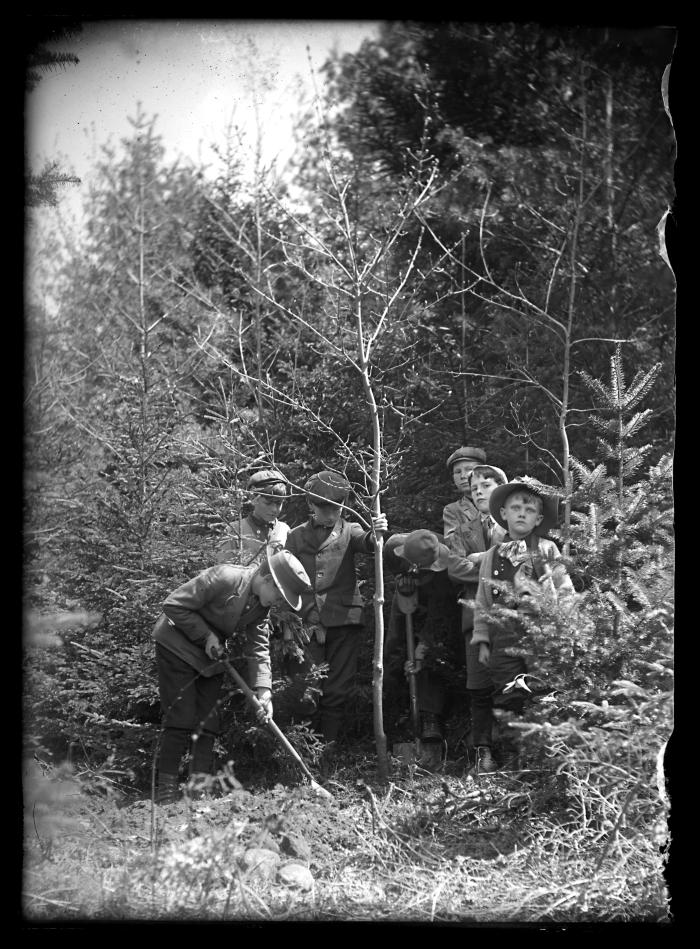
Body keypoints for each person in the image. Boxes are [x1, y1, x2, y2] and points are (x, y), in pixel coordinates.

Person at [151, 546, 312, 803]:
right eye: (280, 595)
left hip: (211, 657)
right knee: (181, 718)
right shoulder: (225, 577)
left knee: (208, 723)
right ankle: (166, 791)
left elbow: (258, 648)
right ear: (267, 578)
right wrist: (206, 635)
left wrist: (264, 692)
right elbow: (173, 604)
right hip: (176, 646)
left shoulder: (261, 606)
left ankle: (198, 790)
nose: (279, 602)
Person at [467, 476, 576, 773]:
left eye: (528, 510)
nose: (521, 514)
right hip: (503, 633)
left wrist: (565, 627)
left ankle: (547, 757)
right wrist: (483, 640)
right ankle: (516, 760)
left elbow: (564, 589)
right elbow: (483, 599)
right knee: (508, 692)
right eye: (515, 508)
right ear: (503, 513)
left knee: (543, 689)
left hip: (542, 629)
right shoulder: (493, 554)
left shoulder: (548, 549)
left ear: (539, 518)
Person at [283, 470, 388, 758]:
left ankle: (326, 750)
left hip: (344, 621)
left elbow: (368, 542)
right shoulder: (294, 537)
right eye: (324, 507)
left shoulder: (349, 530)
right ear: (311, 506)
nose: (331, 513)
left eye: (336, 507)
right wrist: (293, 620)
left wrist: (377, 531)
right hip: (306, 624)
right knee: (306, 688)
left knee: (337, 689)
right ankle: (304, 752)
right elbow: (284, 579)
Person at [383, 530, 462, 764]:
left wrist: (420, 653)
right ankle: (395, 722)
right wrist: (403, 582)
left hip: (436, 612)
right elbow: (393, 565)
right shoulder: (397, 547)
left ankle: (430, 718)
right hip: (406, 596)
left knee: (431, 658)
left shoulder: (444, 570)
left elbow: (437, 619)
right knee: (393, 649)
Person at [215, 468, 291, 566]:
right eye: (268, 503)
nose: (274, 509)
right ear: (253, 499)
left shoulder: (284, 530)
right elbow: (223, 572)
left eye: (279, 503)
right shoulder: (234, 530)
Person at [442, 446, 488, 541]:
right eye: (458, 472)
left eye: (468, 469)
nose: (463, 476)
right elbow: (453, 543)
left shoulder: (501, 500)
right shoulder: (452, 510)